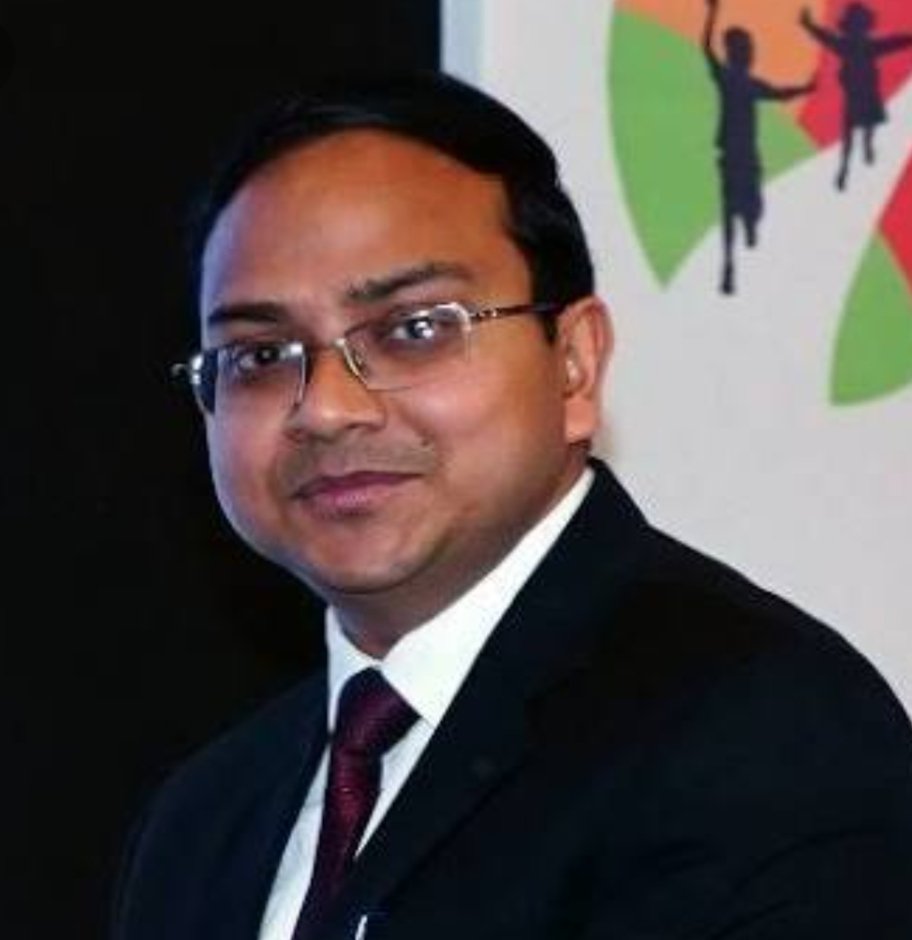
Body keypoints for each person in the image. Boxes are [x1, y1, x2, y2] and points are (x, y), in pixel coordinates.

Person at [111, 71, 912, 940]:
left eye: (414, 329)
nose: (327, 409)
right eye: (261, 356)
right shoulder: (202, 822)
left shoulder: (766, 734)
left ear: (573, 363)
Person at [703, 0, 814, 294]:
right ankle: (729, 263)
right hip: (734, 155)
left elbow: (779, 93)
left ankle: (748, 224)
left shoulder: (745, 83)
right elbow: (708, 51)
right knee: (733, 209)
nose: (750, 55)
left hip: (742, 155)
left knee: (748, 205)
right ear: (739, 54)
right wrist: (712, 16)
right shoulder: (731, 79)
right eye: (747, 50)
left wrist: (805, 88)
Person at [800, 3, 912, 191]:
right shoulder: (849, 45)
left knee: (865, 127)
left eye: (860, 25)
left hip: (865, 93)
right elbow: (825, 37)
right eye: (855, 25)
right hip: (856, 95)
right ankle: (845, 167)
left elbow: (895, 42)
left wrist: (808, 25)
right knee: (853, 132)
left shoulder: (860, 45)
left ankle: (863, 150)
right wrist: (808, 25)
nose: (858, 30)